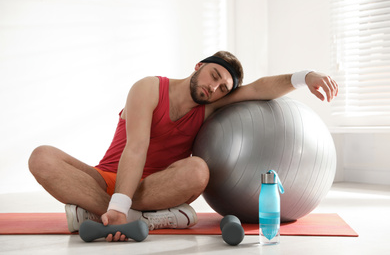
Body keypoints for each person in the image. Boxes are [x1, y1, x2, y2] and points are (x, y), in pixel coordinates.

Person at [28, 51, 338, 242]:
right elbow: (135, 148)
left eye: (222, 89)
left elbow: (258, 88)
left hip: (156, 188)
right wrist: (119, 206)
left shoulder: (210, 106)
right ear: (199, 65)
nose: (213, 88)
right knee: (41, 157)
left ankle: (100, 215)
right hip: (109, 178)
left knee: (198, 170)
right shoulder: (148, 87)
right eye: (214, 75)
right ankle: (131, 217)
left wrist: (303, 76)